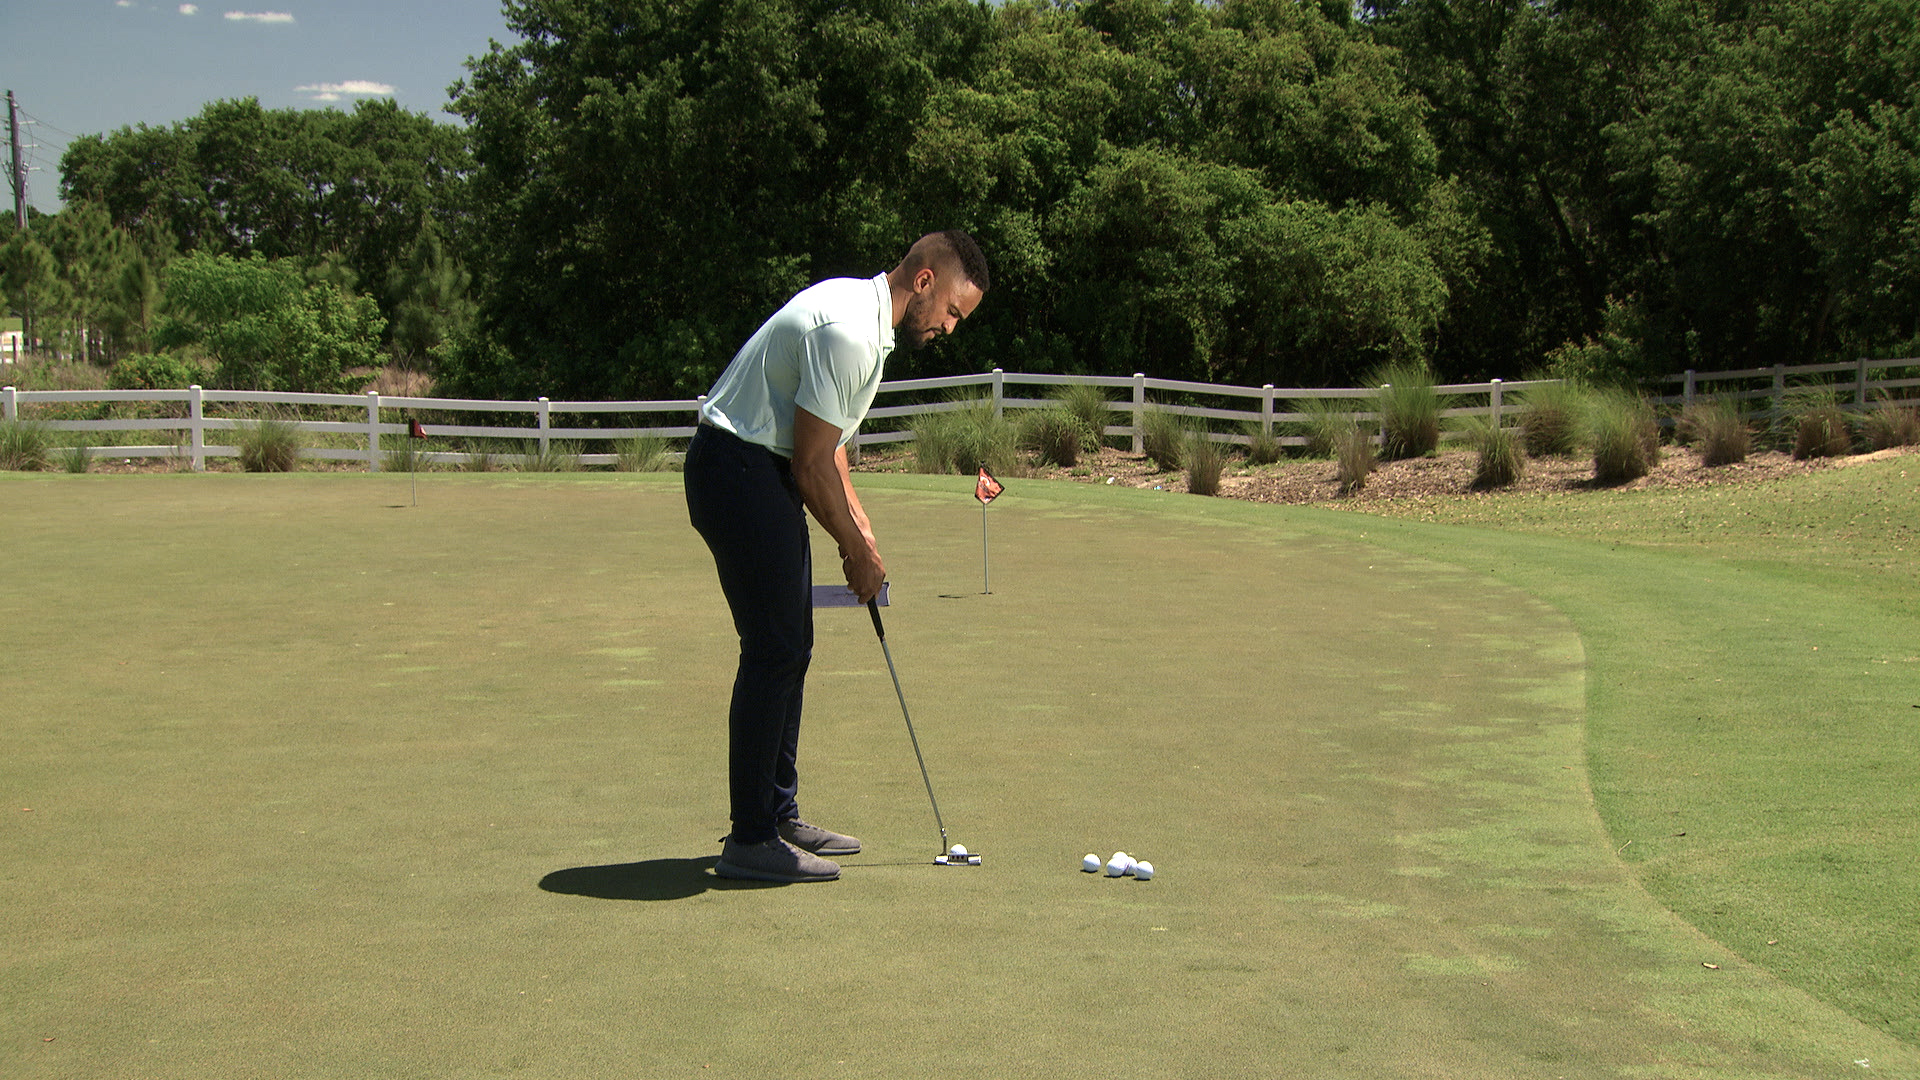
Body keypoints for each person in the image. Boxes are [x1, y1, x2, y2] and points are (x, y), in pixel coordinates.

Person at [684, 231, 990, 883]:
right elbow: (808, 464)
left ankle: (777, 815)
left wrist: (862, 529)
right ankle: (751, 838)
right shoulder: (850, 331)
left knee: (792, 644)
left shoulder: (868, 323)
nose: (949, 328)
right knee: (774, 648)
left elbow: (829, 445)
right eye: (951, 312)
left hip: (757, 470)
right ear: (926, 281)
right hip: (737, 469)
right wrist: (853, 552)